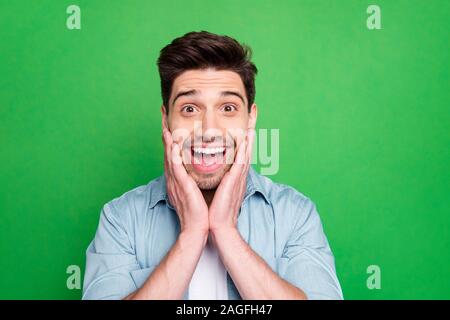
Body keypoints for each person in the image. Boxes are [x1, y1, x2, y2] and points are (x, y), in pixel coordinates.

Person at [82, 31, 343, 300]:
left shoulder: (295, 214)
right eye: (189, 109)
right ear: (166, 119)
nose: (209, 131)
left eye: (228, 108)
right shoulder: (120, 219)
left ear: (250, 118)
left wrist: (225, 231)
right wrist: (192, 234)